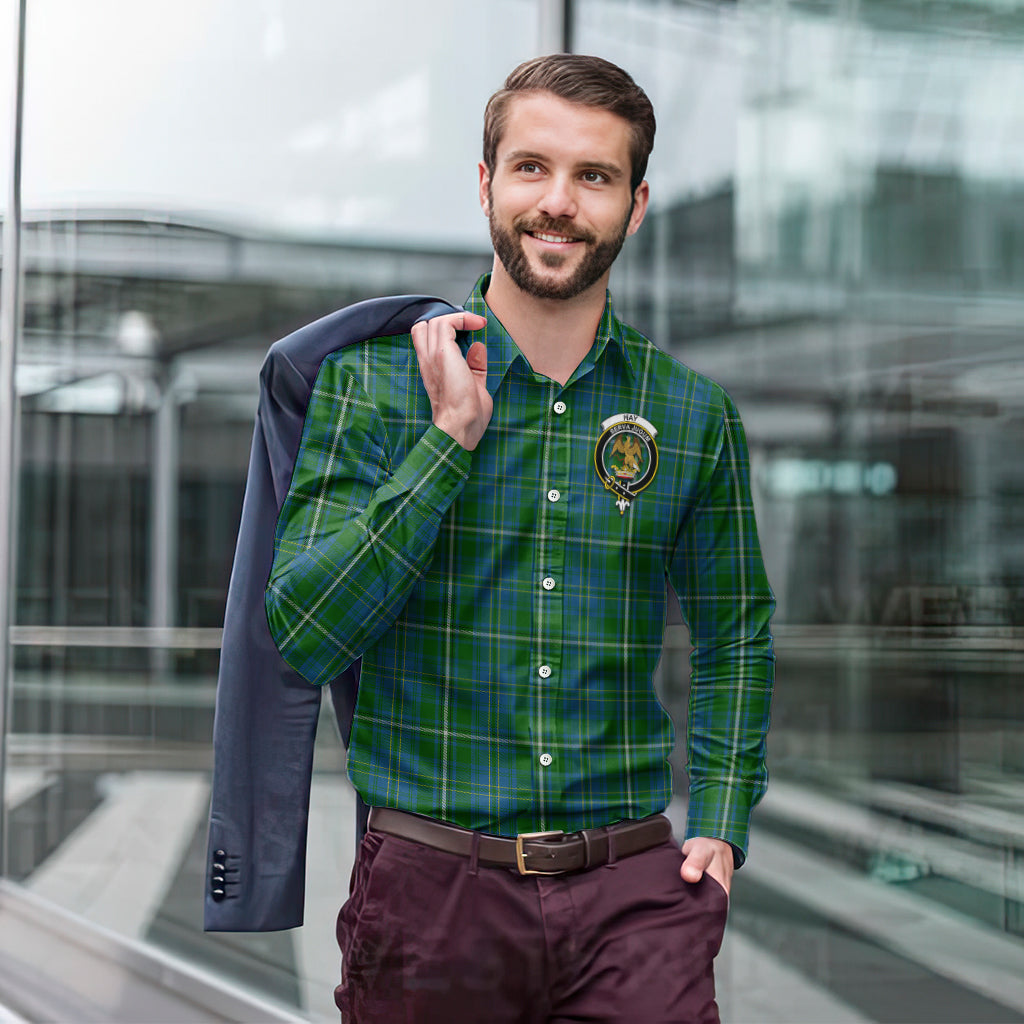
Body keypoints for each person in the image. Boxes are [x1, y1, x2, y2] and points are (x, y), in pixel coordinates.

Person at [265, 53, 774, 1024]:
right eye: (533, 167)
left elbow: (734, 628)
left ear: (636, 202)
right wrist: (449, 439)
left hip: (632, 895)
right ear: (487, 182)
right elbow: (304, 631)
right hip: (431, 895)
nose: (559, 202)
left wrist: (719, 816)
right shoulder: (370, 387)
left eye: (595, 176)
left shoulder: (693, 414)